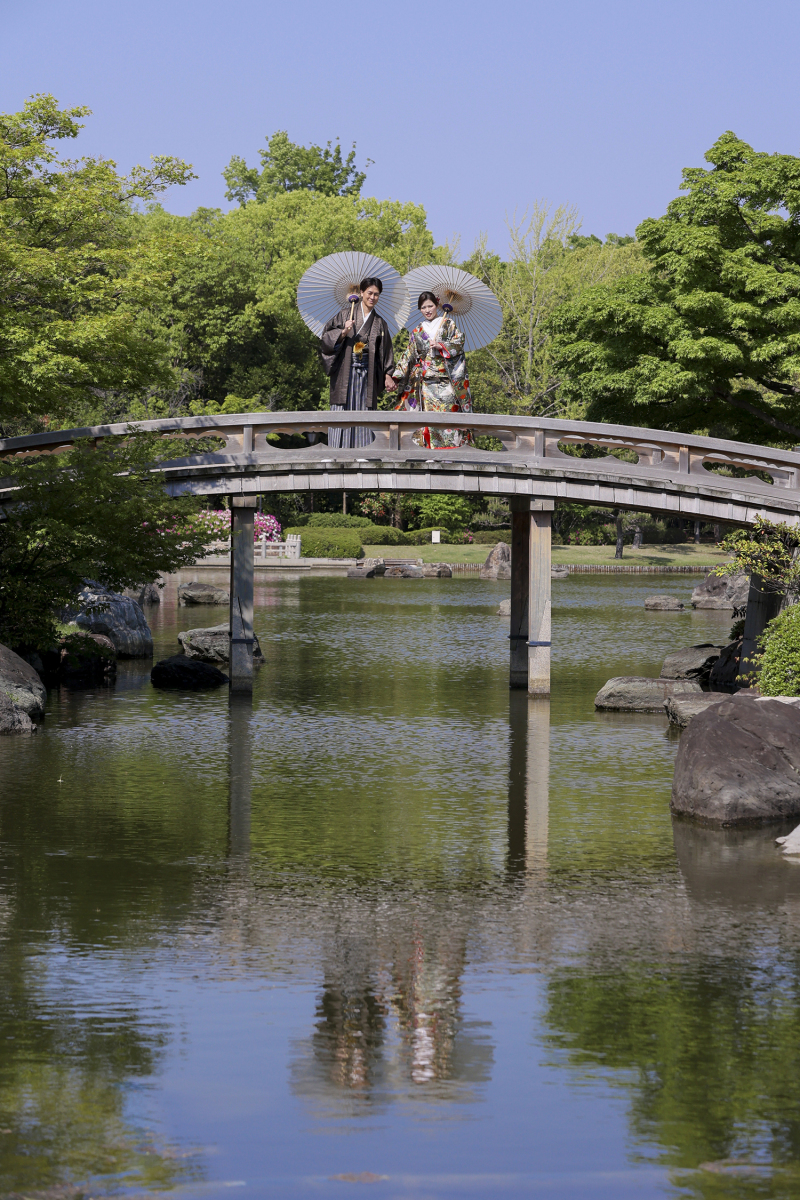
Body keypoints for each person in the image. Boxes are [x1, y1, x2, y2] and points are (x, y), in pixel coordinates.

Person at [319, 278, 396, 449]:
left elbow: (386, 351)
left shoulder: (380, 323)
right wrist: (342, 332)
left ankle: (363, 452)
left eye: (376, 294)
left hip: (367, 374)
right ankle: (337, 451)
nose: (372, 297)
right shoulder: (344, 315)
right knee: (341, 409)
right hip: (344, 371)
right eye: (369, 293)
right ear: (361, 293)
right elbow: (325, 339)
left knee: (364, 411)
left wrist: (388, 374)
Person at [391, 291, 474, 449]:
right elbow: (408, 354)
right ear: (420, 310)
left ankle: (451, 453)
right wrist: (395, 377)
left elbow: (459, 342)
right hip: (427, 382)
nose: (427, 310)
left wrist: (442, 346)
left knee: (449, 417)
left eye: (430, 306)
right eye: (423, 307)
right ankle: (432, 452)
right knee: (430, 418)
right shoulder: (417, 331)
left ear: (437, 306)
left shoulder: (448, 324)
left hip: (446, 380)